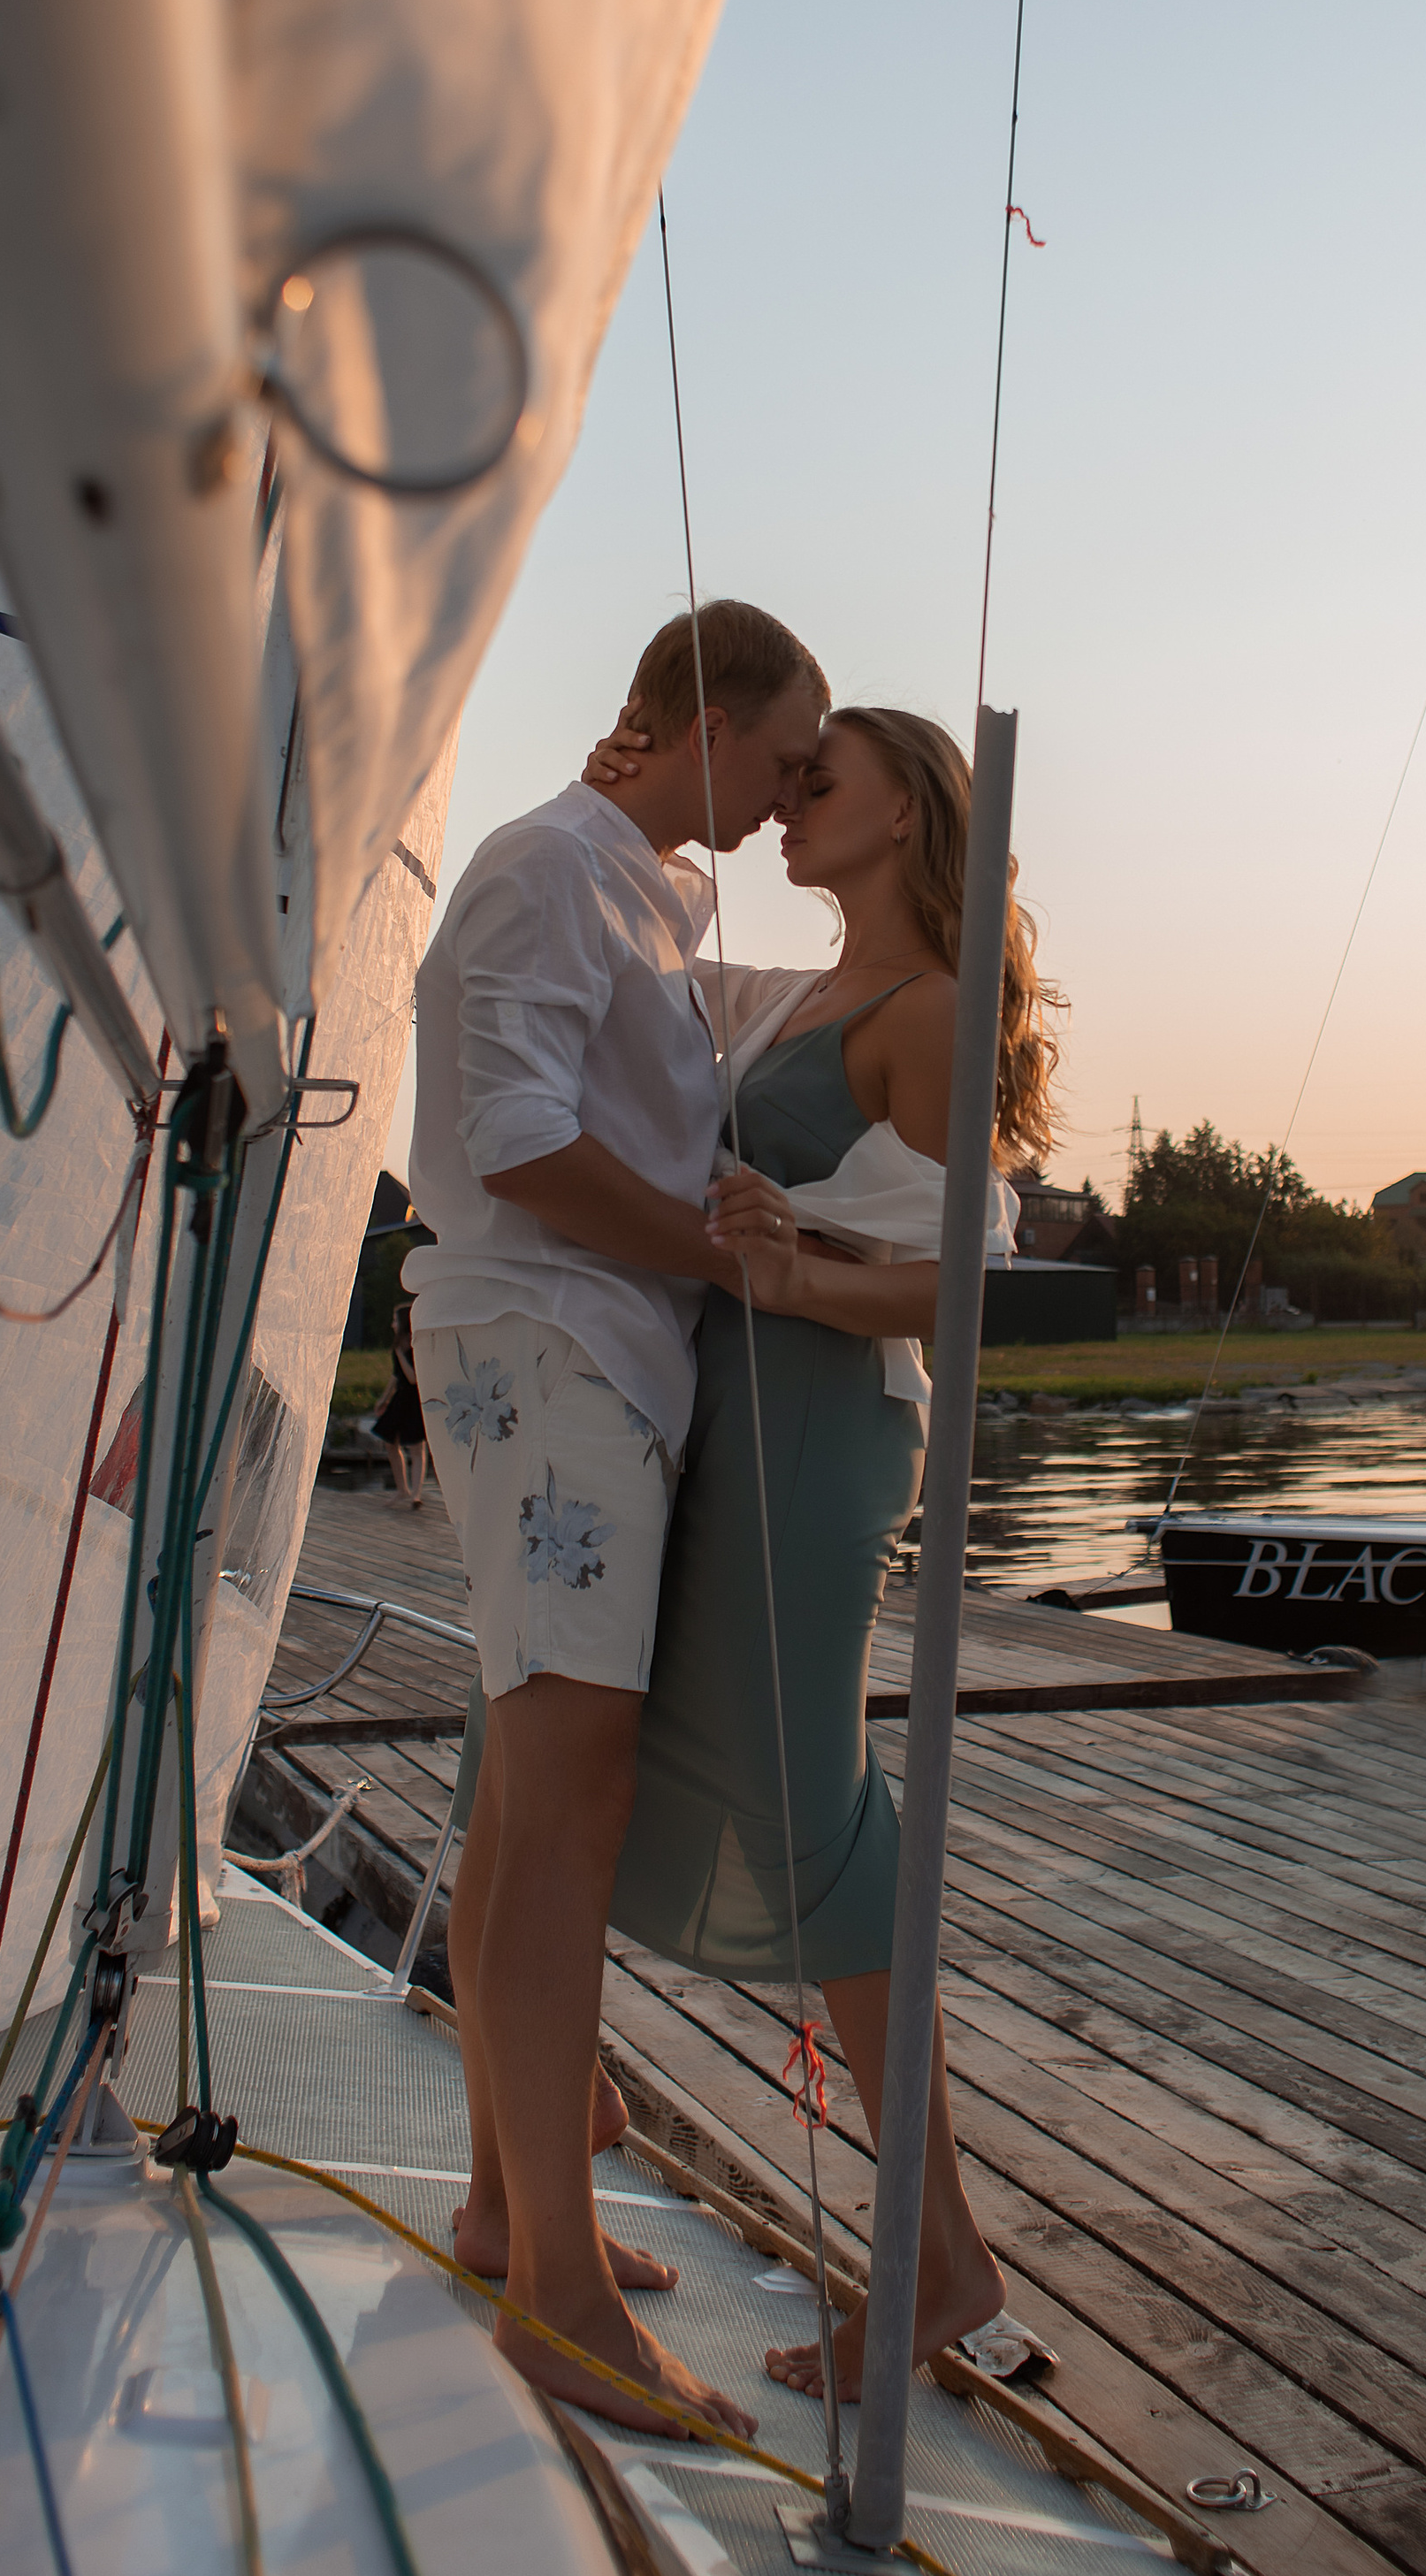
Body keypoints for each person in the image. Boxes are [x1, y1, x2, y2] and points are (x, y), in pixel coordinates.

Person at [592, 702, 1061, 2397]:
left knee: (811, 1814)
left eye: (819, 784)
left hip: (817, 1420)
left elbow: (959, 1285)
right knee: (728, 1780)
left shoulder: (925, 1009)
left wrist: (784, 1276)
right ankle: (933, 2258)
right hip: (741, 1411)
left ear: (907, 812)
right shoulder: (808, 993)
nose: (789, 809)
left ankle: (941, 2266)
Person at [406, 599, 827, 2438]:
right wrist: (736, 1269)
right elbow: (510, 1140)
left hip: (590, 1362)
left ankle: (508, 2208)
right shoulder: (546, 868)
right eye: (788, 755)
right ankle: (562, 2302)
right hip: (547, 1349)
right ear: (704, 716)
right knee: (569, 1800)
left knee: (523, 1791)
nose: (793, 794)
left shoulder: (650, 891)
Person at [372, 1300, 426, 1505]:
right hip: (401, 1397)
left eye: (395, 1320)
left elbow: (413, 1378)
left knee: (416, 1447)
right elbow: (396, 1377)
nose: (392, 1324)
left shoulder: (416, 1345)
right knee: (389, 1441)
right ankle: (402, 1489)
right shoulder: (397, 1345)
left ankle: (416, 1495)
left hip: (415, 1398)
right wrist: (384, 1399)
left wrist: (401, 1355)